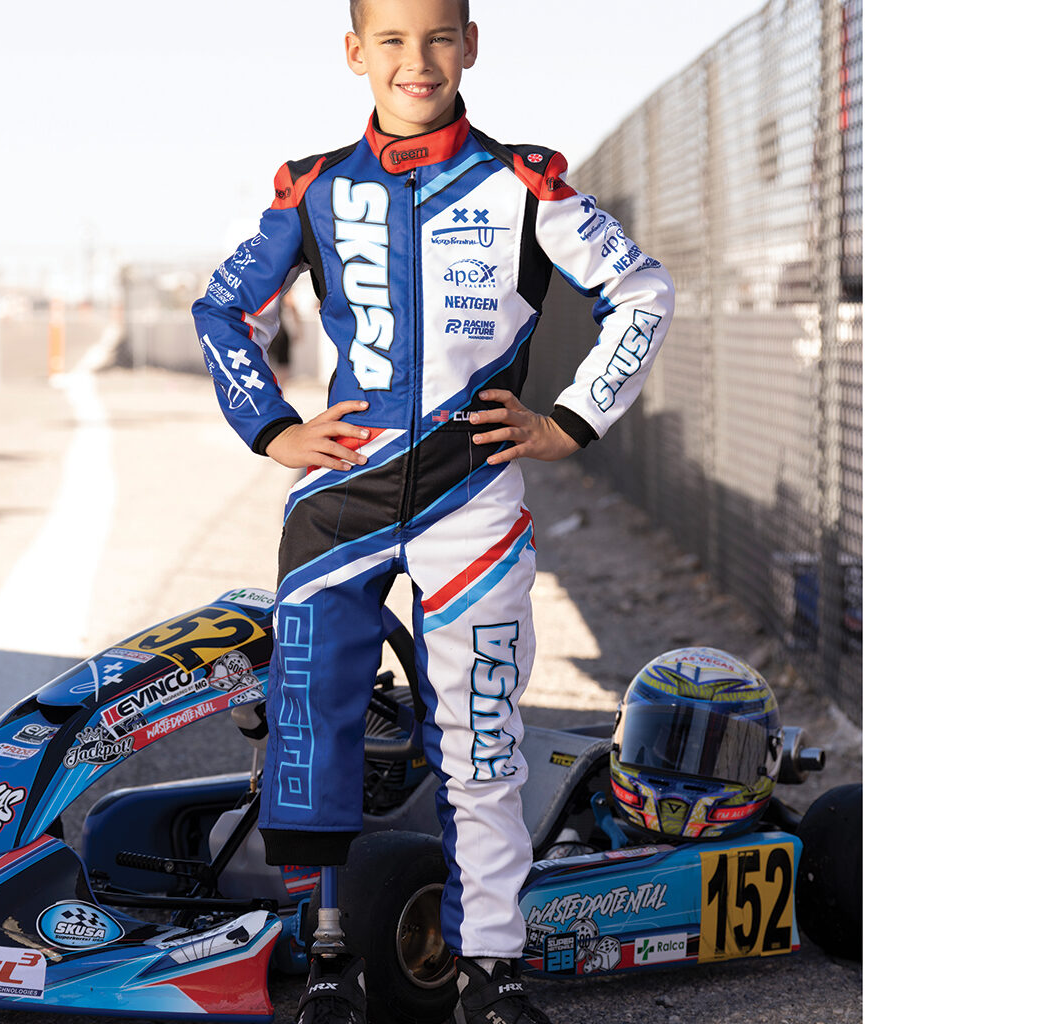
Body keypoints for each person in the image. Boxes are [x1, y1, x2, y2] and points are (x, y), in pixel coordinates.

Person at [191, 2, 673, 1021]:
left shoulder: (525, 181)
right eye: (395, 40)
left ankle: (488, 975)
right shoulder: (314, 186)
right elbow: (223, 307)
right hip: (336, 505)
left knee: (481, 739)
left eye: (439, 36)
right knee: (311, 731)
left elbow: (641, 292)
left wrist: (570, 421)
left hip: (475, 497)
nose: (419, 60)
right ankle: (325, 961)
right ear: (356, 52)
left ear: (472, 44)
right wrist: (271, 428)